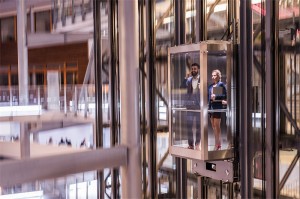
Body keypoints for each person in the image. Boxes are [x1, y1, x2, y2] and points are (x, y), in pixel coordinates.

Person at [208, 69, 227, 150]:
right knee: (213, 126)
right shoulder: (210, 86)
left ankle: (217, 145)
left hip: (217, 107)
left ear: (219, 76)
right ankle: (217, 144)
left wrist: (216, 96)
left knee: (217, 127)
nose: (213, 77)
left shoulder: (221, 84)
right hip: (211, 107)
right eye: (212, 75)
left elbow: (224, 95)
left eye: (215, 75)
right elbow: (208, 96)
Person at [185, 63, 201, 149]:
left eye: (195, 69)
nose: (193, 70)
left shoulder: (202, 79)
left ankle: (197, 143)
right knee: (189, 125)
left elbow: (206, 92)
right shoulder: (189, 80)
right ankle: (190, 144)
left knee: (199, 126)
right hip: (190, 106)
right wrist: (185, 78)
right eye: (192, 69)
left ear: (198, 69)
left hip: (199, 106)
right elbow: (182, 88)